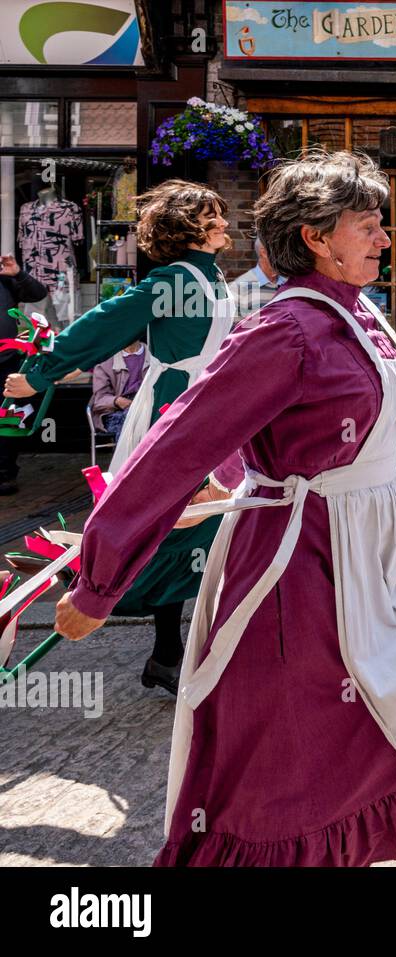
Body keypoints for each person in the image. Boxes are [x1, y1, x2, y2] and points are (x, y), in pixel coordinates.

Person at [46, 151, 396, 867]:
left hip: (380, 542)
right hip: (302, 568)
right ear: (315, 236)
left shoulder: (356, 311)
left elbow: (309, 421)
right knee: (295, 765)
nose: (383, 239)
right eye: (367, 226)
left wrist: (240, 473)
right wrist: (98, 580)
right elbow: (177, 443)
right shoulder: (285, 329)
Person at [4, 180, 235, 695]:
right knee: (175, 522)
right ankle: (140, 627)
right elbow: (102, 324)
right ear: (188, 229)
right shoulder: (174, 279)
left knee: (193, 523)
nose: (224, 223)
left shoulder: (210, 276)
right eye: (213, 216)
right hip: (174, 408)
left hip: (205, 407)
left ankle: (169, 650)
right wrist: (40, 373)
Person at [0, 252, 47, 495]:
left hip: (6, 362)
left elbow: (38, 293)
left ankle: (4, 474)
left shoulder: (5, 278)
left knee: (7, 418)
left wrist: (17, 273)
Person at [90, 341, 147, 440]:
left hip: (147, 408)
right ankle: (130, 455)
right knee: (129, 420)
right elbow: (99, 399)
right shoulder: (105, 361)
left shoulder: (155, 356)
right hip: (116, 412)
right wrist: (117, 401)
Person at [231, 236, 285, 319]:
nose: (287, 255)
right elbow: (232, 330)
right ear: (264, 252)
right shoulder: (238, 288)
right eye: (282, 250)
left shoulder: (290, 285)